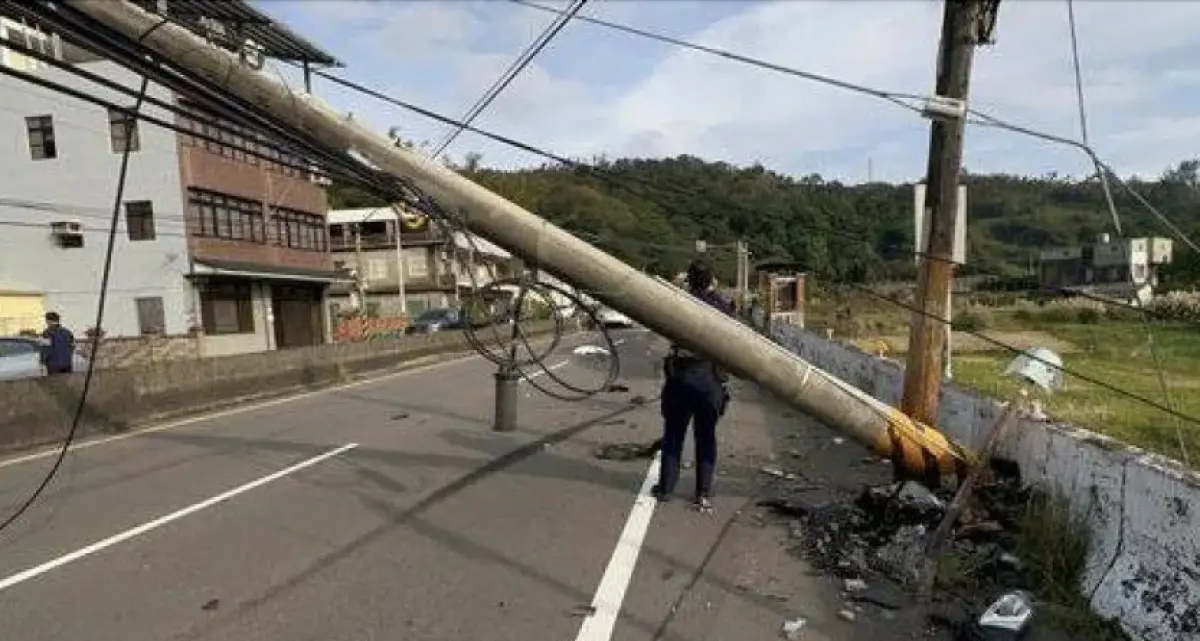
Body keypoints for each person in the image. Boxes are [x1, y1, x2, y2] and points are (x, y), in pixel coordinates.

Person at [652, 259, 734, 512]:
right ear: (711, 280)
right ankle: (703, 493)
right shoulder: (721, 305)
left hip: (680, 376)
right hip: (709, 377)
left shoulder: (678, 302)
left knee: (674, 434)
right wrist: (713, 291)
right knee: (705, 436)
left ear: (688, 279)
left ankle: (666, 489)